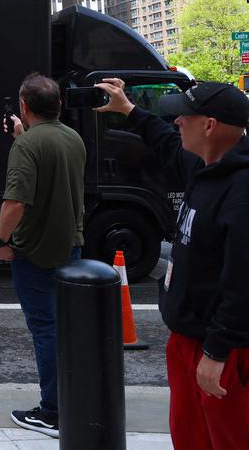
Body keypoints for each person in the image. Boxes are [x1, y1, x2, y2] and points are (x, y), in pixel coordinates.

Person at [93, 78, 249, 449]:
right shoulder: (205, 166)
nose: (177, 122)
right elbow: (163, 141)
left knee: (227, 440)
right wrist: (128, 109)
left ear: (209, 126)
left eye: (184, 116)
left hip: (221, 349)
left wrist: (216, 351)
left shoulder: (241, 190)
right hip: (188, 339)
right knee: (190, 437)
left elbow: (243, 281)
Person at [0, 73, 85, 438]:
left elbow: (15, 202)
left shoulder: (27, 145)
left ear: (24, 106)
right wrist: (23, 135)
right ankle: (74, 401)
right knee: (65, 328)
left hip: (34, 251)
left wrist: (0, 240)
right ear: (59, 104)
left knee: (45, 330)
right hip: (70, 246)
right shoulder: (73, 139)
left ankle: (52, 411)